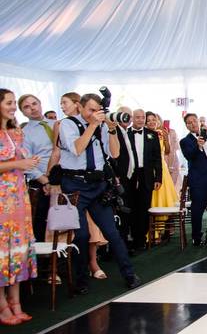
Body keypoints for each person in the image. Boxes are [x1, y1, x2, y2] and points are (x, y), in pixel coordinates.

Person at [57, 93, 141, 293]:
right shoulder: (67, 125)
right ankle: (80, 281)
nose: (95, 114)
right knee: (81, 235)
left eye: (98, 111)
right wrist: (93, 125)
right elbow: (77, 149)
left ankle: (129, 275)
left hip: (98, 185)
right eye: (91, 110)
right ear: (81, 107)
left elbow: (115, 153)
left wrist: (111, 130)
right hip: (75, 185)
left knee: (112, 233)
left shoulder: (103, 125)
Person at [47, 92, 109, 278]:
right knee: (63, 224)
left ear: (77, 104)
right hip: (70, 180)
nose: (62, 106)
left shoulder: (96, 123)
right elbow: (57, 152)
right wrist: (50, 179)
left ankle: (92, 263)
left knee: (90, 228)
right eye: (60, 103)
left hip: (91, 181)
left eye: (65, 102)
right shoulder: (63, 124)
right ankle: (58, 268)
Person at [0, 89, 38, 325]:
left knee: (19, 248)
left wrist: (27, 164)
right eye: (9, 103)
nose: (13, 107)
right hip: (2, 199)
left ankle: (16, 302)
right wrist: (19, 163)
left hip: (19, 199)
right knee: (2, 250)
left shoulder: (17, 132)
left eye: (15, 103)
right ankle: (3, 305)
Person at [116, 109, 162, 252]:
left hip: (146, 175)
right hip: (129, 175)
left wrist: (158, 178)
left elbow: (157, 159)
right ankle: (128, 239)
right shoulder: (125, 133)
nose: (141, 120)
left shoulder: (152, 135)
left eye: (143, 117)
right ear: (132, 118)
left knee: (144, 207)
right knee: (129, 206)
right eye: (138, 117)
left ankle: (141, 240)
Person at [17, 94, 56, 241]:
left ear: (40, 104)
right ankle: (43, 260)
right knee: (41, 222)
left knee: (67, 219)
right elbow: (26, 162)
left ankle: (66, 259)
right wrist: (45, 181)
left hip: (64, 178)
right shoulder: (24, 133)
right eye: (27, 107)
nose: (32, 108)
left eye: (34, 103)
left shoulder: (57, 124)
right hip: (41, 181)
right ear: (22, 112)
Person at [180, 113, 207, 246]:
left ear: (198, 121)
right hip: (198, 180)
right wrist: (198, 146)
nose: (193, 124)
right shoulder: (185, 141)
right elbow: (189, 156)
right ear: (186, 125)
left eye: (194, 121)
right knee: (198, 209)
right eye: (189, 122)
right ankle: (196, 237)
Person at [146, 111, 179, 221]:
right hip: (149, 167)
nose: (151, 122)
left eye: (153, 120)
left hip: (162, 168)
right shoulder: (144, 134)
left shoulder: (160, 133)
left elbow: (167, 151)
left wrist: (166, 138)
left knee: (165, 197)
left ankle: (164, 227)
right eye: (149, 120)